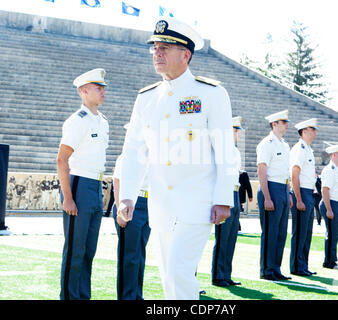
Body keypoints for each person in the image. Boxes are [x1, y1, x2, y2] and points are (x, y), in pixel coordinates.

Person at [117, 17, 236, 300]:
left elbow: (225, 150)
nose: (157, 53)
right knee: (169, 276)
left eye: (165, 48)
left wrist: (223, 198)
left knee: (179, 272)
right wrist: (126, 196)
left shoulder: (211, 94)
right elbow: (134, 150)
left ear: (186, 54)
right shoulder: (146, 98)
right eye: (155, 47)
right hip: (160, 204)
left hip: (197, 202)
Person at [56, 68, 109, 300]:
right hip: (78, 185)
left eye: (103, 87)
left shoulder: (102, 121)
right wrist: (68, 198)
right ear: (83, 91)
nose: (103, 91)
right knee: (75, 250)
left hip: (95, 186)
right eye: (98, 88)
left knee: (88, 251)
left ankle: (82, 296)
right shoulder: (77, 121)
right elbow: (61, 160)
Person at [112, 124, 151, 299]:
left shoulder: (150, 154)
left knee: (139, 255)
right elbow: (117, 181)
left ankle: (136, 294)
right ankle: (126, 296)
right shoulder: (127, 156)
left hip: (147, 203)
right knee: (129, 256)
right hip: (131, 203)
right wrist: (120, 207)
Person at [256, 109, 293, 281]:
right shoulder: (267, 143)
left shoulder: (284, 145)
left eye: (286, 122)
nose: (286, 125)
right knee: (270, 232)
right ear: (274, 124)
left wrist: (289, 193)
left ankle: (276, 267)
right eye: (283, 122)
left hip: (283, 189)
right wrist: (268, 197)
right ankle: (266, 269)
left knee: (280, 232)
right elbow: (262, 170)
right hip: (271, 188)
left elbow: (285, 172)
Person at [211, 116, 243, 287]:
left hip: (235, 193)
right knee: (222, 237)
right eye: (234, 129)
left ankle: (226, 273)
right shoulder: (220, 149)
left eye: (238, 130)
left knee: (231, 237)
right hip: (225, 193)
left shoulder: (235, 151)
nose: (238, 133)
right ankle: (218, 275)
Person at [289, 118, 318, 276]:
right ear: (304, 131)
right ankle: (297, 266)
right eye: (312, 129)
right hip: (302, 192)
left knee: (307, 232)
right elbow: (295, 174)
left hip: (309, 192)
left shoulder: (308, 149)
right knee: (300, 232)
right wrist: (299, 198)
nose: (315, 132)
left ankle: (303, 264)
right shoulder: (299, 149)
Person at [319, 143, 338, 269]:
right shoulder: (330, 170)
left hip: (336, 203)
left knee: (335, 233)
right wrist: (329, 208)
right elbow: (325, 190)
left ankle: (332, 260)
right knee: (331, 233)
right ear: (334, 155)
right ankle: (328, 261)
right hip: (330, 203)